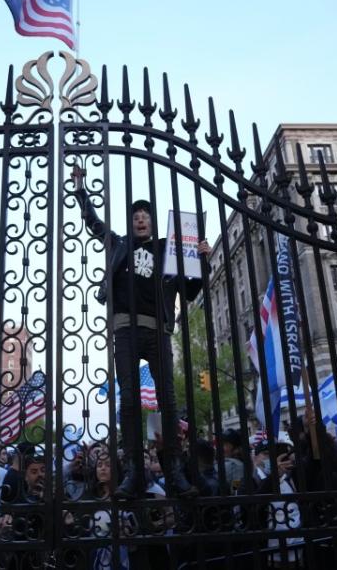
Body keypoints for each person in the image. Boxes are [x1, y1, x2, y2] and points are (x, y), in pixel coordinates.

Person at [71, 165, 209, 499]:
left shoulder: (168, 249)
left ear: (152, 221)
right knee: (130, 398)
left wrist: (203, 260)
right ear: (131, 223)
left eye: (145, 215)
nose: (141, 219)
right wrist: (79, 188)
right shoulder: (119, 244)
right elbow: (93, 224)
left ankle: (174, 470)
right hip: (126, 330)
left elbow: (189, 292)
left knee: (169, 401)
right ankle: (133, 470)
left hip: (157, 330)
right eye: (136, 216)